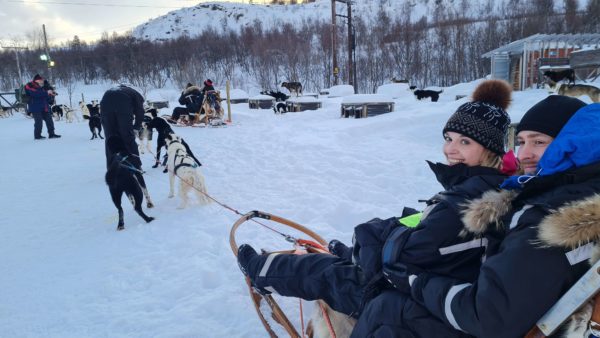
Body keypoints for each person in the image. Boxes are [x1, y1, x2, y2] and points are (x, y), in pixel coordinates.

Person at [236, 80, 515, 333]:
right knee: (347, 256)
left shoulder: (468, 201)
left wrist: (366, 238)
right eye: (449, 138)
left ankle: (257, 269)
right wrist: (377, 237)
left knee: (324, 271)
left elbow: (401, 258)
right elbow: (426, 228)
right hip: (430, 283)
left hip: (411, 299)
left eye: (464, 142)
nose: (449, 149)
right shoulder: (487, 189)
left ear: (490, 149)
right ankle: (339, 255)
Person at [361, 95, 600, 338]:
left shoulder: (547, 219)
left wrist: (415, 281)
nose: (524, 154)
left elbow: (489, 318)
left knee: (388, 307)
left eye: (539, 142)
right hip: (526, 312)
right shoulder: (571, 197)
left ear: (573, 142)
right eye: (520, 142)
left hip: (495, 322)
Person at [100, 84, 154, 208]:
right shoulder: (136, 95)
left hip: (105, 106)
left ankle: (112, 168)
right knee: (127, 137)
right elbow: (140, 112)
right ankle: (136, 165)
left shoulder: (112, 91)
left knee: (110, 140)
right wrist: (136, 127)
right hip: (122, 105)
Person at [24, 74, 60, 140]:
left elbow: (45, 97)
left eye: (42, 80)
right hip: (35, 107)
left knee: (49, 120)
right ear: (36, 80)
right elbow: (36, 94)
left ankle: (51, 134)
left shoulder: (42, 87)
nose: (42, 81)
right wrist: (47, 92)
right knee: (38, 122)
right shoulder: (29, 86)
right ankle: (37, 136)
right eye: (40, 80)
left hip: (44, 107)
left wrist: (51, 96)